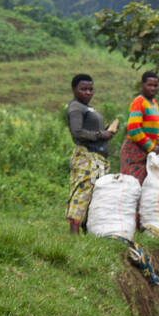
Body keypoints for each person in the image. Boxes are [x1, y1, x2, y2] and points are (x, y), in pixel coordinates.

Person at [65, 73, 119, 234]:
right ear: (74, 89)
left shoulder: (87, 108)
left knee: (92, 195)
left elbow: (91, 131)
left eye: (90, 89)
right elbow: (78, 133)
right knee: (82, 193)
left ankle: (86, 232)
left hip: (96, 158)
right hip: (86, 157)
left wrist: (107, 130)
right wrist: (102, 135)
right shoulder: (76, 107)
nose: (88, 92)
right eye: (83, 89)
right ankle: (73, 235)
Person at [121, 71, 159, 182]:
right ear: (142, 85)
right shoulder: (139, 102)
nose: (153, 88)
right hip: (134, 152)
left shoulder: (154, 103)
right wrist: (151, 146)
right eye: (150, 85)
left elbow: (156, 128)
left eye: (155, 85)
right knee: (133, 186)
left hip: (147, 152)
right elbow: (134, 129)